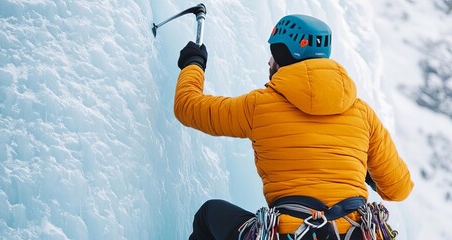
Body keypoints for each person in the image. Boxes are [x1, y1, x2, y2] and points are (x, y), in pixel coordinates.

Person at [174, 14, 413, 240]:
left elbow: (188, 107)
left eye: (272, 54)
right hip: (356, 232)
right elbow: (399, 189)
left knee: (209, 214)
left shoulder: (259, 106)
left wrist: (193, 63)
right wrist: (367, 174)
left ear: (282, 55)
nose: (268, 61)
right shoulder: (362, 113)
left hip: (290, 232)